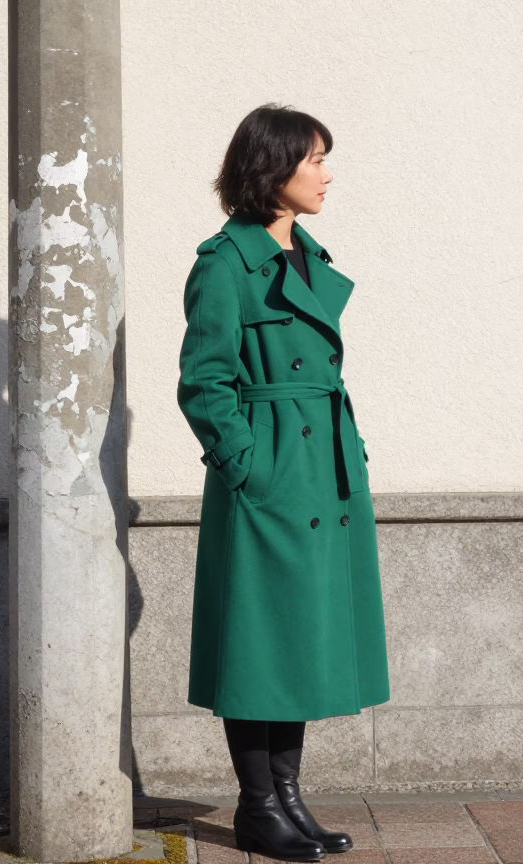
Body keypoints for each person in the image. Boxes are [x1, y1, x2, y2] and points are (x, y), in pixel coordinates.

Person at [175, 103, 390, 862]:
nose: (328, 174)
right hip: (269, 480)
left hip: (323, 473)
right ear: (275, 168)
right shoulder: (225, 265)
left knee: (296, 642)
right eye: (316, 160)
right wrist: (248, 467)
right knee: (260, 645)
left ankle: (289, 802)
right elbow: (204, 383)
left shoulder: (310, 258)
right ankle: (257, 807)